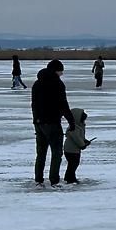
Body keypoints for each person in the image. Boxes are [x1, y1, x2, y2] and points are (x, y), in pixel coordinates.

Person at [31, 59, 77, 188]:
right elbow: (63, 104)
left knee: (41, 153)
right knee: (56, 153)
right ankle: (54, 180)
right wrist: (71, 121)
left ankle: (38, 179)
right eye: (61, 71)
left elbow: (34, 104)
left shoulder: (37, 83)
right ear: (57, 70)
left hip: (39, 122)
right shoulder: (57, 84)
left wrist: (36, 120)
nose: (61, 74)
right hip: (52, 123)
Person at [62, 107, 93, 184]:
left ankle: (70, 177)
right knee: (73, 164)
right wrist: (82, 145)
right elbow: (77, 138)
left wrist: (85, 141)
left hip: (73, 149)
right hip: (71, 150)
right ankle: (70, 178)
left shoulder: (79, 127)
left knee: (73, 164)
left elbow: (80, 137)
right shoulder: (74, 127)